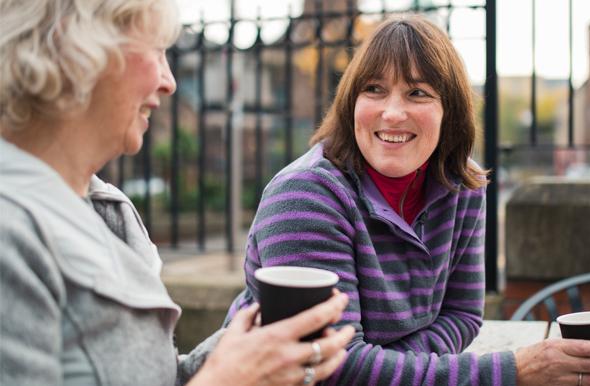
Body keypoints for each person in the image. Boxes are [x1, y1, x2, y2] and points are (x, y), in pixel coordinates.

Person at [225, 16, 590, 385]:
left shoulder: (463, 186)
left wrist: (387, 366)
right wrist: (515, 371)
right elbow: (333, 368)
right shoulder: (306, 196)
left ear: (449, 111)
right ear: (351, 104)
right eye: (374, 90)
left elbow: (463, 316)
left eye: (417, 92)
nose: (393, 113)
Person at [0, 0, 354, 385]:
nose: (169, 82)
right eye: (155, 50)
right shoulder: (11, 229)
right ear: (76, 50)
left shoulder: (109, 211)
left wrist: (248, 344)